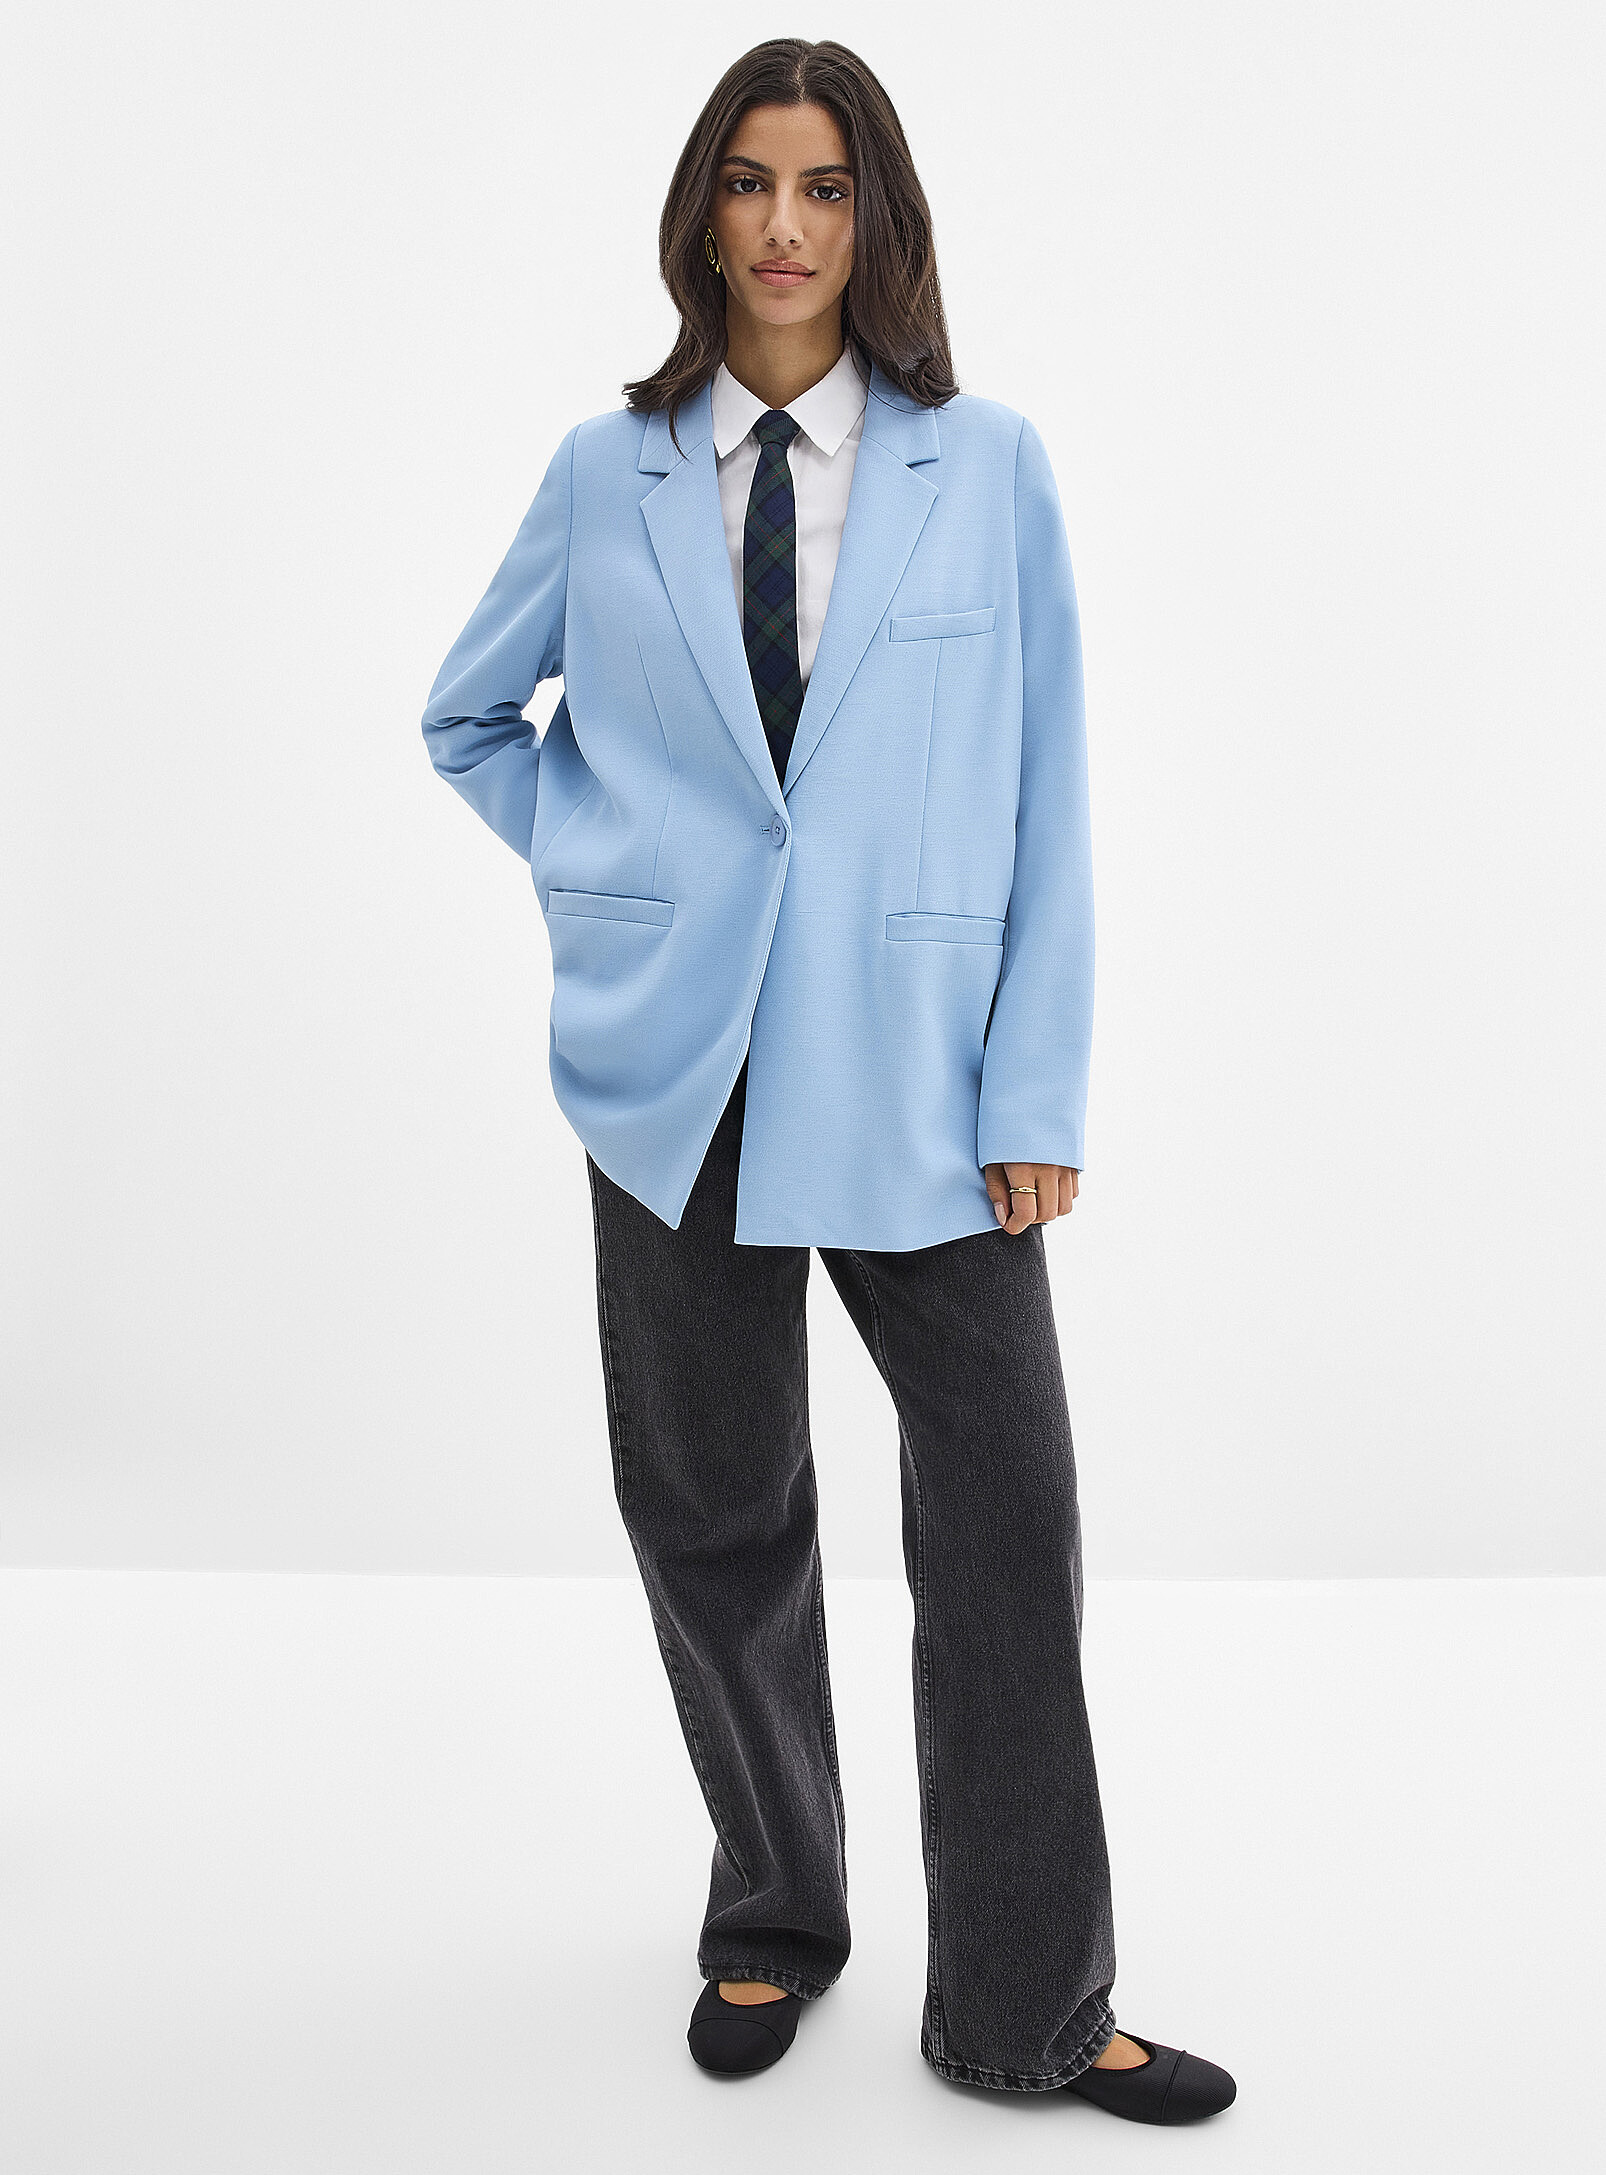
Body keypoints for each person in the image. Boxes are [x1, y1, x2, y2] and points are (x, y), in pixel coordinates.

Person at [421, 35, 1235, 2126]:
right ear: (699, 212)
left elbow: (1048, 787)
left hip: (921, 1080)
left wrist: (1033, 1086)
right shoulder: (605, 471)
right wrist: (620, 879)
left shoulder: (989, 463)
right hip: (673, 1073)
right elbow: (471, 717)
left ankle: (1029, 2006)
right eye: (749, 182)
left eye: (826, 187)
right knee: (714, 1510)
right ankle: (774, 1911)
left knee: (1003, 1523)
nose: (784, 226)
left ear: (878, 221)